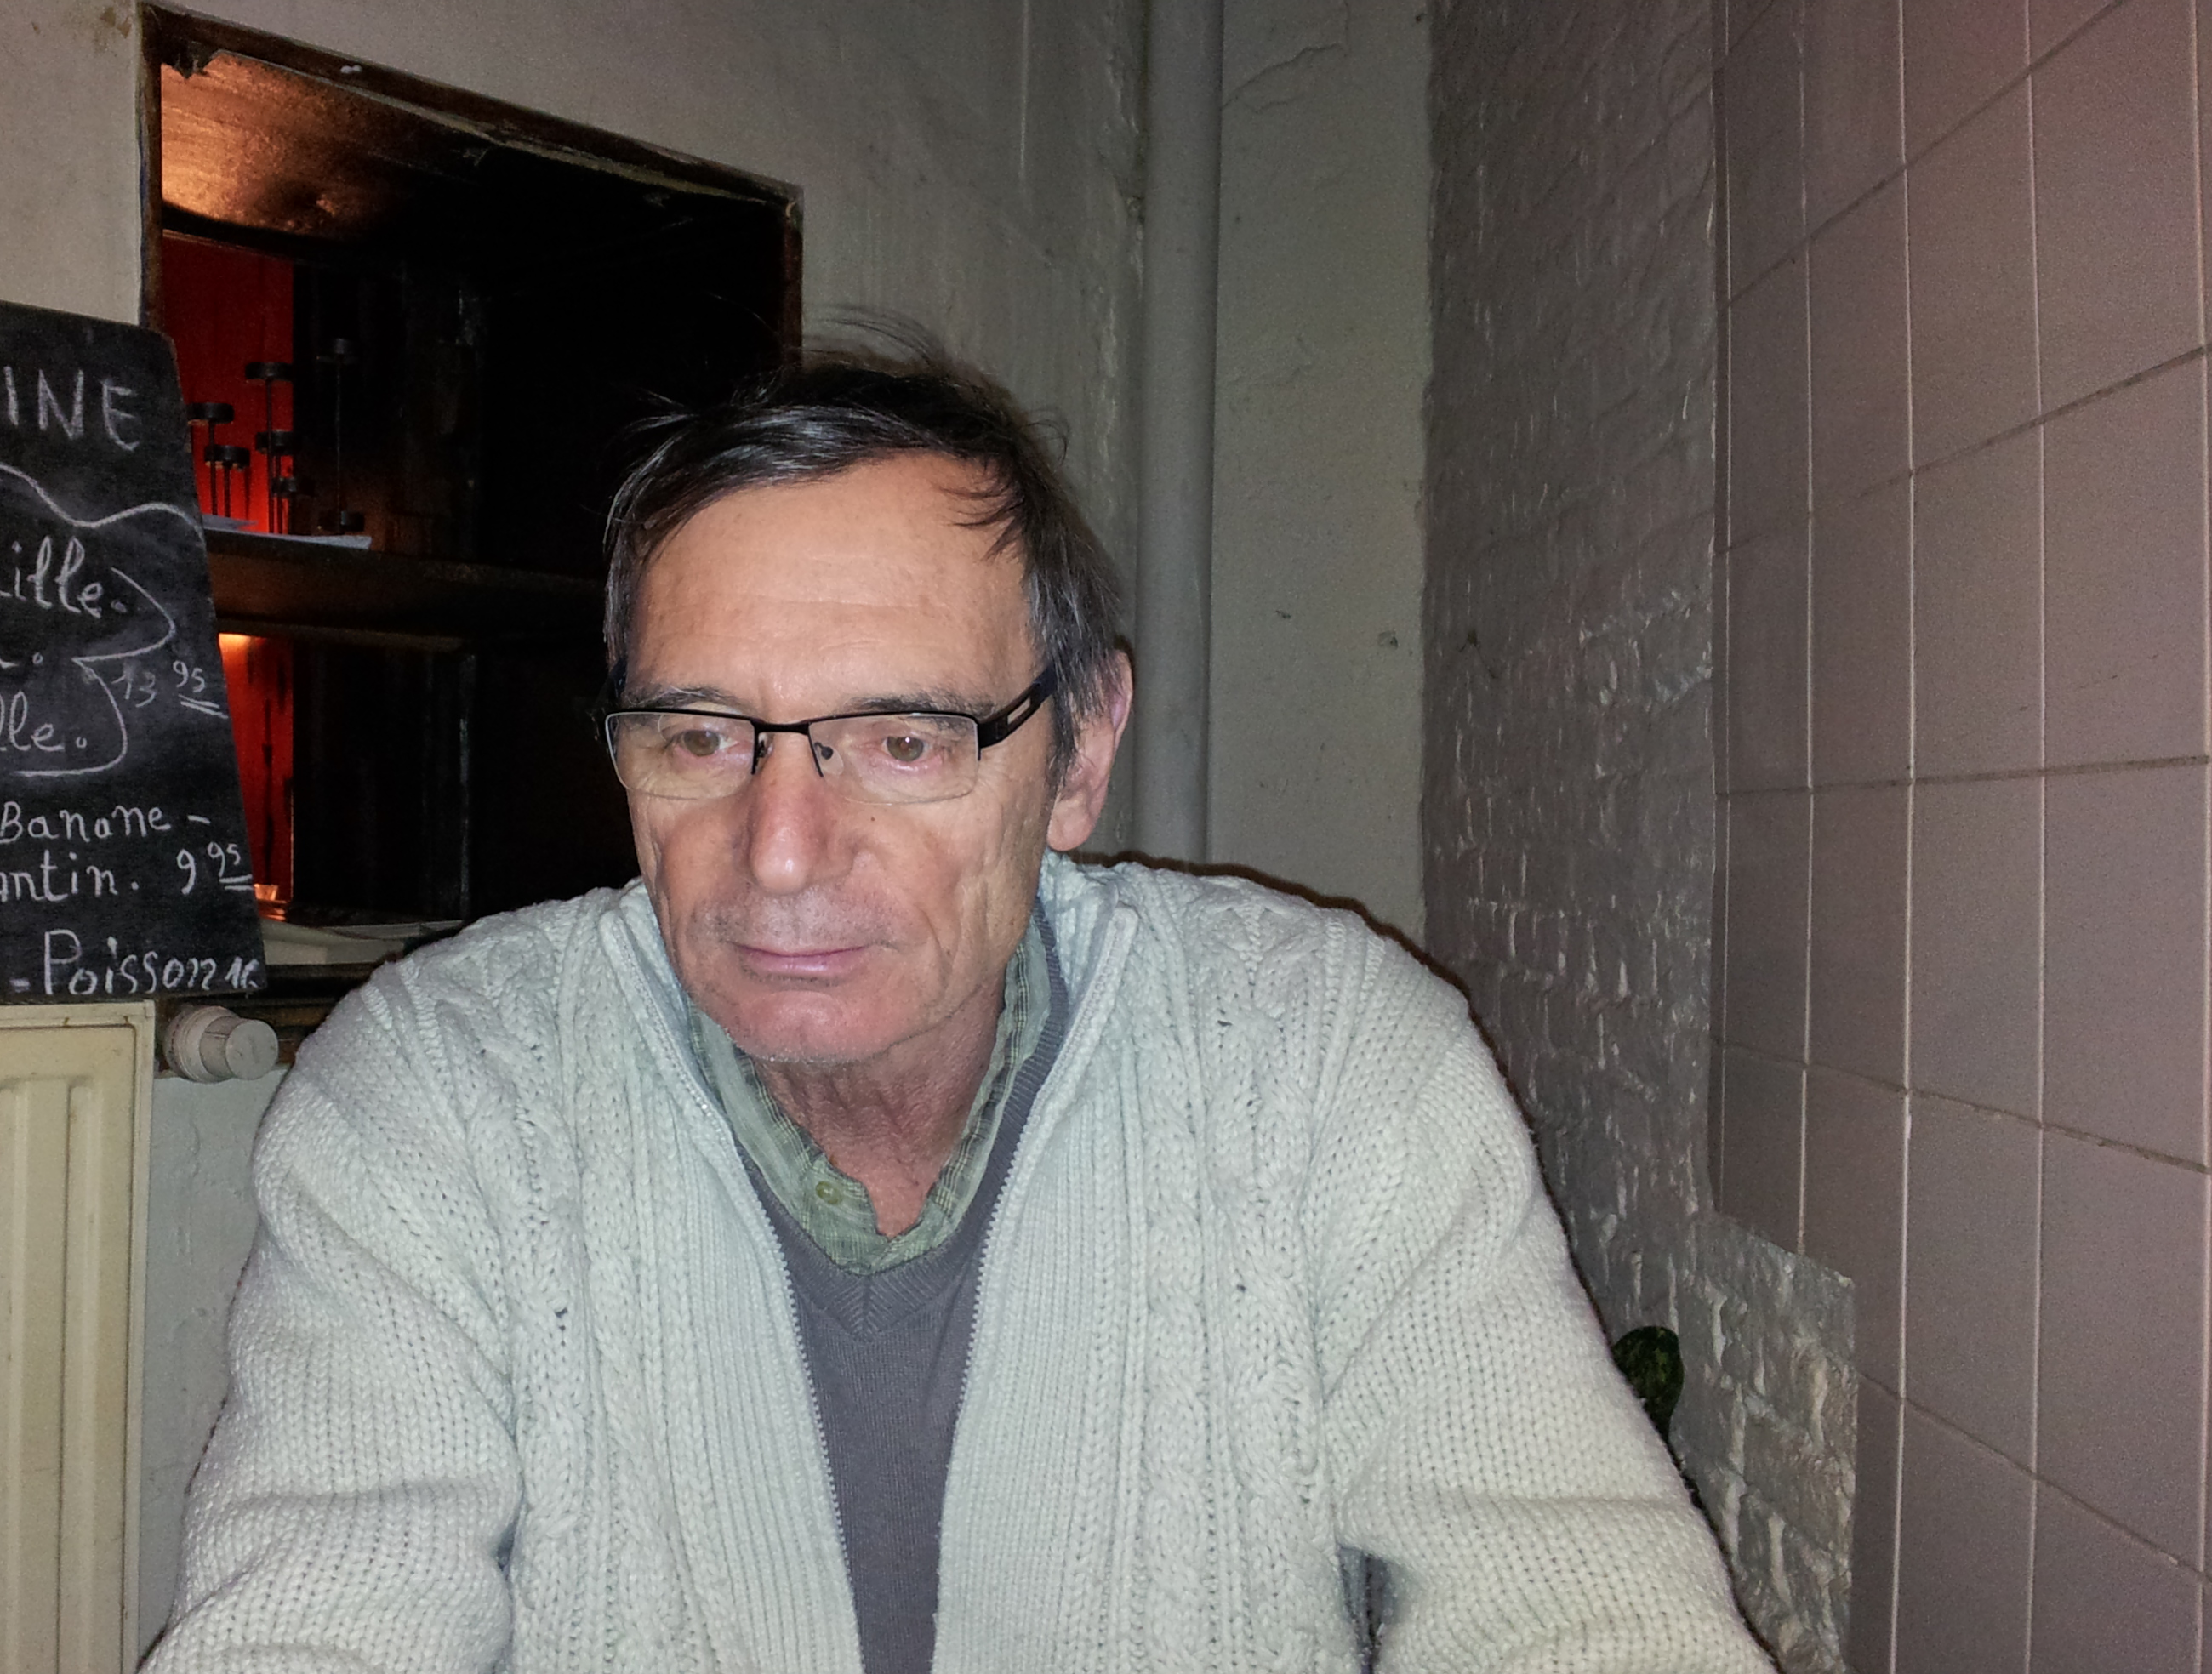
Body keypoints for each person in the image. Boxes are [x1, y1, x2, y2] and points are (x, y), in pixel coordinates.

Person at [147, 344, 1774, 1674]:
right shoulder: (436, 1089)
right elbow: (319, 1616)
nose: (781, 853)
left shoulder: (1328, 1059)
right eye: (702, 735)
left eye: (905, 740)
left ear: (1078, 754)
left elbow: (1579, 1608)